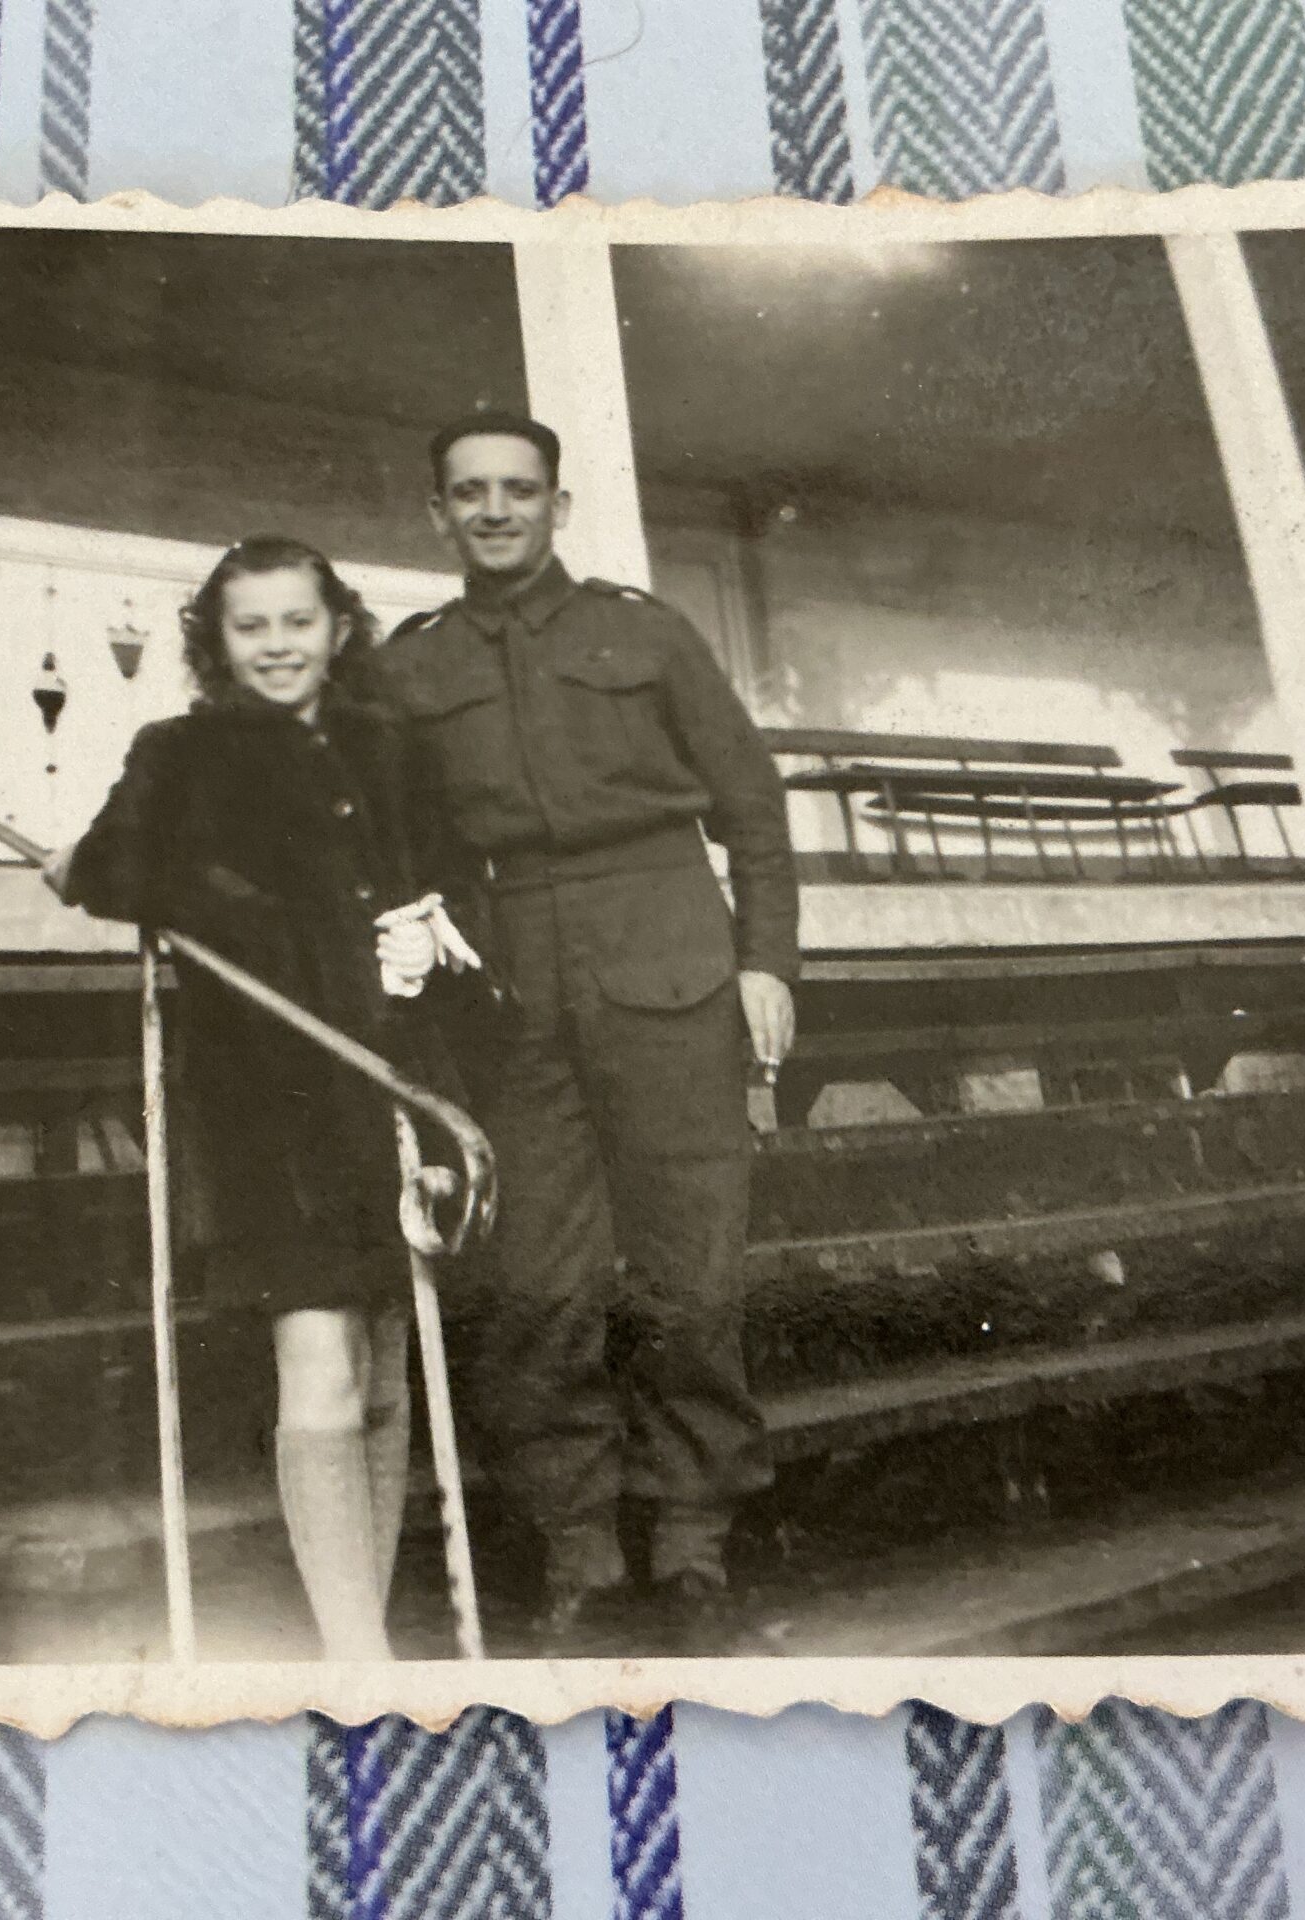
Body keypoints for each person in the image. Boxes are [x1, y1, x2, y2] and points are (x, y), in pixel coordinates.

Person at [371, 410, 800, 1652]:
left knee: (688, 1267)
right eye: (469, 491)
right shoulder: (410, 666)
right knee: (534, 1278)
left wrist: (766, 962)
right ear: (437, 514)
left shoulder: (644, 631)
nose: (494, 510)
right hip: (503, 979)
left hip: (663, 949)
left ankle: (693, 1537)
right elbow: (383, 829)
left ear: (557, 506)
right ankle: (578, 1544)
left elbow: (752, 810)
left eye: (519, 489)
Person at [44, 535, 466, 1662]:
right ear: (216, 640)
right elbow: (107, 868)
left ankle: (364, 1638)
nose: (277, 645)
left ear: (338, 629)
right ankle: (356, 1657)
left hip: (390, 1078)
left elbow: (450, 878)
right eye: (251, 626)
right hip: (269, 1097)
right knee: (320, 1371)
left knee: (381, 1377)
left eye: (297, 621)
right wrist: (249, 914)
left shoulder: (390, 747)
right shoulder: (183, 751)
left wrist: (430, 934)